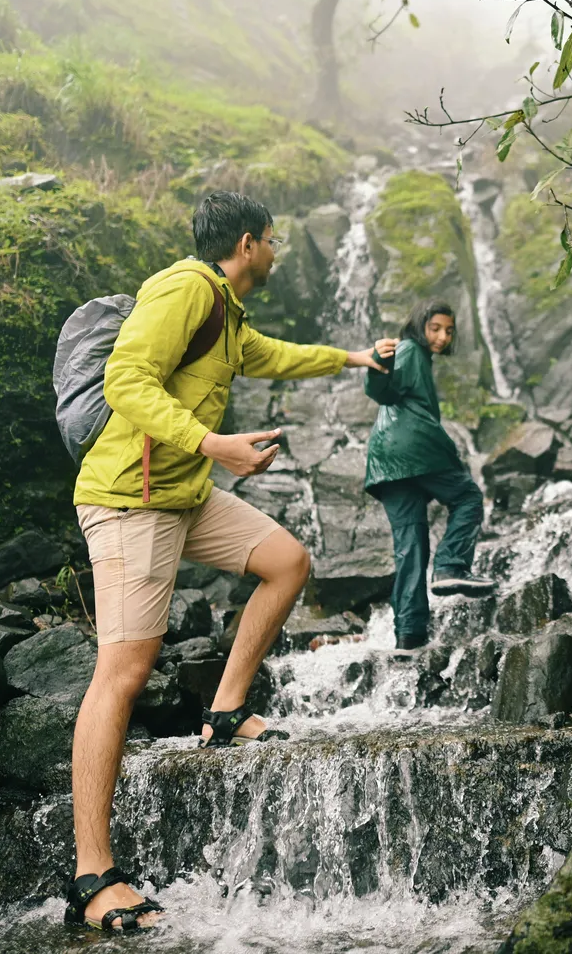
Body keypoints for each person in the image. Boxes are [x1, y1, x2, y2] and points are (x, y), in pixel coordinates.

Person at [64, 192, 396, 933]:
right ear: (247, 245)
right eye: (272, 241)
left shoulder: (227, 311)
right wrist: (217, 444)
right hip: (131, 500)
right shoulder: (185, 287)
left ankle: (225, 710)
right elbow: (126, 380)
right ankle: (92, 874)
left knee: (286, 560)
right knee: (122, 672)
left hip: (182, 493)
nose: (276, 252)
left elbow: (273, 356)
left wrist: (350, 356)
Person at [364, 301, 496, 651]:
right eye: (435, 328)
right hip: (414, 449)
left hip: (387, 463)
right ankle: (451, 566)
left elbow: (385, 391)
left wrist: (379, 367)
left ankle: (410, 635)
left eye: (449, 331)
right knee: (467, 496)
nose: (442, 336)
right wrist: (378, 364)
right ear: (420, 325)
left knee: (410, 547)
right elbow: (382, 390)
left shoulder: (413, 355)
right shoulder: (410, 350)